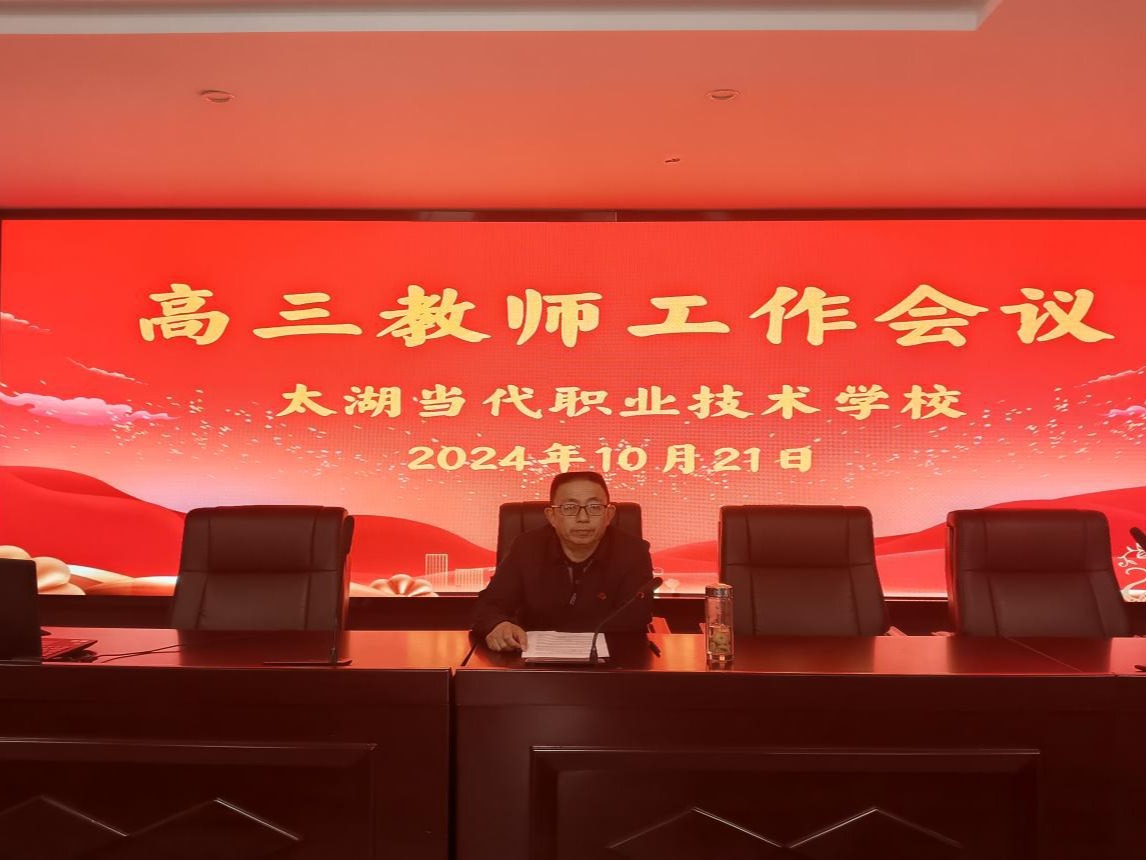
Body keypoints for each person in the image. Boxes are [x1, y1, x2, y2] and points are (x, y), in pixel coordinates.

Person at [473, 471, 654, 651]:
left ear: (608, 514)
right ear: (552, 516)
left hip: (611, 659)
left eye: (594, 507)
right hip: (532, 657)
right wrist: (498, 624)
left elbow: (636, 617)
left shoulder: (634, 552)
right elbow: (489, 604)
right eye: (569, 508)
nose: (583, 518)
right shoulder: (527, 548)